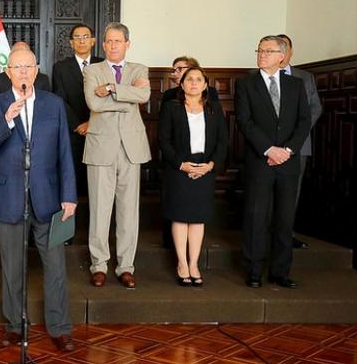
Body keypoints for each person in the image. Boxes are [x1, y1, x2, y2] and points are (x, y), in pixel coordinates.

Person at [0, 48, 77, 352]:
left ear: (36, 71)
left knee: (56, 267)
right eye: (17, 67)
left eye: (28, 66)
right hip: (8, 197)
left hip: (49, 198)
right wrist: (6, 120)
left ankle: (59, 327)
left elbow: (64, 151)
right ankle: (14, 325)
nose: (23, 71)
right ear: (7, 72)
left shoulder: (54, 104)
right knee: (12, 269)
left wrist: (69, 196)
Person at [236, 35, 310, 289]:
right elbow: (245, 121)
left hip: (288, 162)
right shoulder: (246, 84)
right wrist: (269, 149)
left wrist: (287, 150)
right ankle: (254, 271)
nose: (262, 55)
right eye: (259, 50)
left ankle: (280, 272)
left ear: (282, 56)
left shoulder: (296, 85)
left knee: (284, 219)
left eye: (268, 51)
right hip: (260, 160)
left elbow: (304, 121)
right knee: (256, 217)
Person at [83, 22, 151, 289]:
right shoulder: (92, 70)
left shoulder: (139, 69)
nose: (113, 45)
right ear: (103, 45)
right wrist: (127, 99)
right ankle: (99, 265)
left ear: (127, 44)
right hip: (101, 146)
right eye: (109, 41)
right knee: (99, 210)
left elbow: (143, 95)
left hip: (131, 148)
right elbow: (93, 102)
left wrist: (111, 89)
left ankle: (125, 266)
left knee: (128, 211)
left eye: (118, 41)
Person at [158, 67, 227, 286]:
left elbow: (222, 141)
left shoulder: (214, 108)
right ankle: (182, 263)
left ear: (205, 85)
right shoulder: (171, 107)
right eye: (189, 79)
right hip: (179, 168)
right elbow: (164, 140)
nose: (194, 83)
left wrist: (210, 165)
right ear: (182, 84)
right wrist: (181, 165)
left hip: (205, 168)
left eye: (199, 79)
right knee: (180, 217)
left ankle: (194, 263)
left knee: (198, 218)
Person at [277, 34, 322, 249]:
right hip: (268, 145)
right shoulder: (259, 77)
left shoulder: (305, 77)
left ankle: (287, 234)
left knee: (292, 191)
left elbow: (315, 108)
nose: (281, 52)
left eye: (284, 47)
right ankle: (266, 233)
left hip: (299, 145)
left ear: (290, 51)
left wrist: (296, 135)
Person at [52, 24, 105, 194]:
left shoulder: (103, 65)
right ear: (71, 42)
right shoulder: (60, 67)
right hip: (73, 130)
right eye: (77, 37)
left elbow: (108, 99)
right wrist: (78, 124)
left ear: (93, 41)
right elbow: (60, 99)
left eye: (86, 36)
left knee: (99, 180)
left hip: (100, 128)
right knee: (74, 176)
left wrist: (91, 122)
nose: (82, 41)